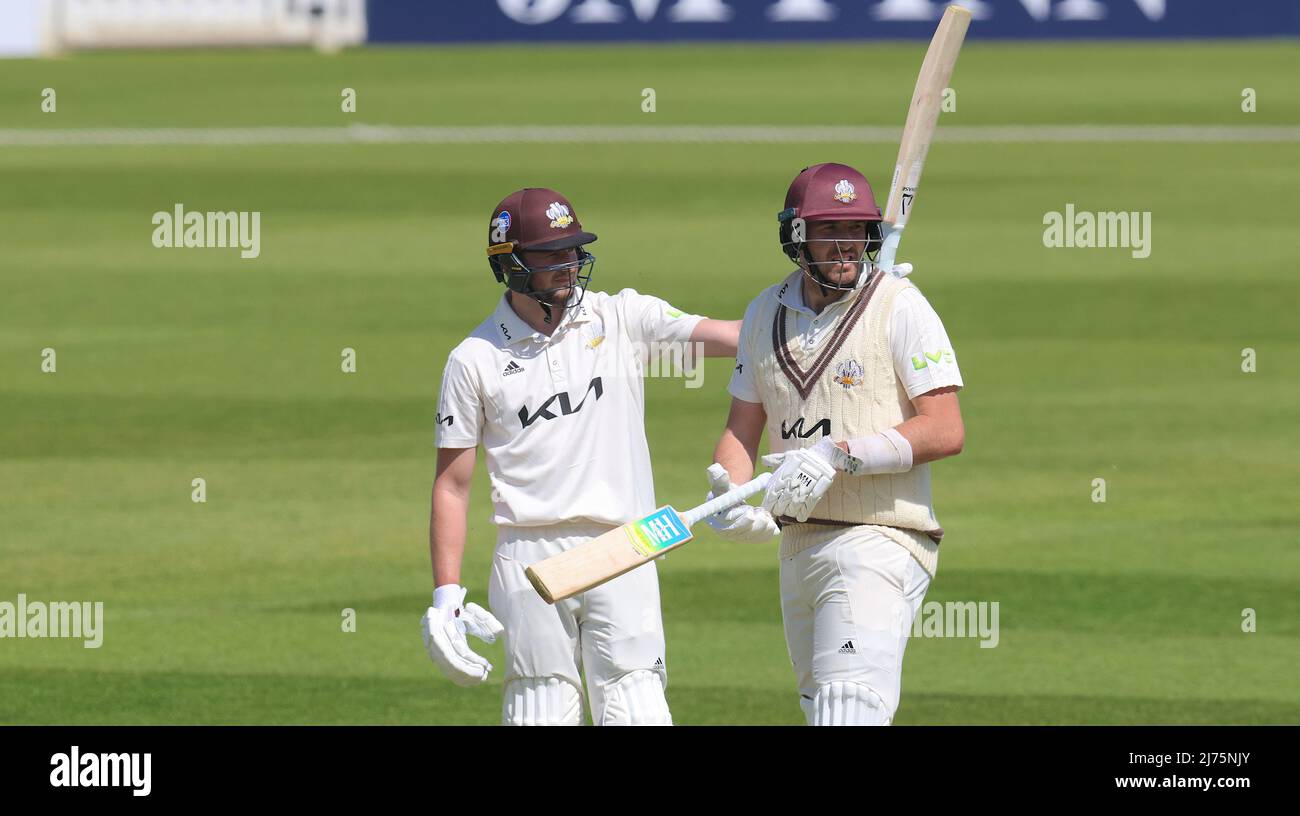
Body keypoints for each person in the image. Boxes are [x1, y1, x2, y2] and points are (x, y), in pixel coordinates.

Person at [421, 187, 740, 725]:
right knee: (541, 707)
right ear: (511, 265)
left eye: (572, 250)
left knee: (637, 704)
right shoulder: (473, 360)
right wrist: (446, 595)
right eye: (550, 255)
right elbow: (451, 485)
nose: (568, 265)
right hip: (529, 555)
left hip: (628, 540)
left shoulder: (620, 317)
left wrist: (837, 308)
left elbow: (736, 337)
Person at [706, 162, 965, 725]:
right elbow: (740, 430)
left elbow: (946, 429)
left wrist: (838, 455)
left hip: (881, 538)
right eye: (829, 230)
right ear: (796, 237)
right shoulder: (762, 313)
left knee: (849, 710)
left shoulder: (901, 305)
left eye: (856, 230)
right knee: (824, 711)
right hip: (798, 546)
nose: (846, 244)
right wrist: (732, 498)